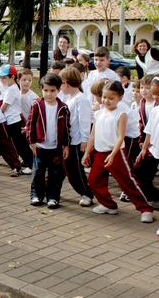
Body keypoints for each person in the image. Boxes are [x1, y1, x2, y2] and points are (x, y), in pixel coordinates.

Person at [82, 81, 154, 222]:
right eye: (104, 97)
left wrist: (113, 154)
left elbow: (121, 137)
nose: (106, 100)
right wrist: (87, 153)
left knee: (127, 181)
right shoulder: (98, 113)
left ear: (120, 98)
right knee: (93, 180)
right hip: (99, 153)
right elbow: (92, 135)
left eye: (111, 98)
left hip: (116, 153)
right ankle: (108, 205)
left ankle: (145, 208)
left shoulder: (121, 114)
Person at [26, 73, 70, 209]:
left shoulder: (63, 108)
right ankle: (36, 195)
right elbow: (30, 125)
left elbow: (68, 128)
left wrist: (66, 145)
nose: (49, 94)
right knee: (38, 172)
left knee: (55, 174)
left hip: (55, 148)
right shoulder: (37, 105)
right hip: (39, 146)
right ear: (41, 89)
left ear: (58, 90)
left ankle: (53, 197)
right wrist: (31, 142)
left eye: (52, 91)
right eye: (46, 90)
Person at [59, 67, 94, 206]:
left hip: (76, 142)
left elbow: (84, 122)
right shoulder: (69, 97)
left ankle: (86, 193)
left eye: (60, 83)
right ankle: (51, 190)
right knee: (61, 169)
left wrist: (84, 141)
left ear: (66, 83)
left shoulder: (81, 99)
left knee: (74, 172)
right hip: (68, 141)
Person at [0, 64, 33, 172]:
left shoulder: (12, 89)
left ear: (12, 77)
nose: (2, 80)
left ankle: (31, 165)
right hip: (11, 121)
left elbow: (4, 106)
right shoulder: (9, 88)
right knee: (18, 144)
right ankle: (27, 163)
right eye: (1, 77)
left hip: (14, 121)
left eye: (4, 77)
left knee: (21, 145)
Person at [133, 78, 159, 217]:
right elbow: (147, 129)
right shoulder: (152, 108)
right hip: (152, 148)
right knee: (140, 170)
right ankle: (153, 195)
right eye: (154, 94)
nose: (155, 97)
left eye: (158, 94)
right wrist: (143, 147)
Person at [139, 74, 158, 143]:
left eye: (147, 88)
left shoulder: (157, 103)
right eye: (141, 87)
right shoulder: (142, 102)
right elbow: (141, 122)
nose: (143, 90)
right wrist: (141, 139)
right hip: (148, 138)